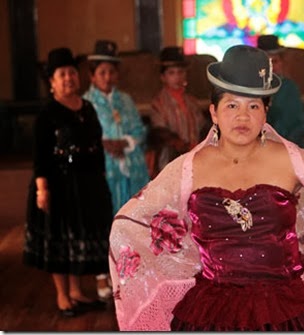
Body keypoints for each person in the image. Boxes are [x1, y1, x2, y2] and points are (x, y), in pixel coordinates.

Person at [108, 45, 304, 331]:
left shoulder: (290, 159)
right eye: (232, 105)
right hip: (210, 310)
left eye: (253, 106)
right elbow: (130, 222)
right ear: (213, 112)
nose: (242, 116)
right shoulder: (189, 167)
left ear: (265, 113)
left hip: (283, 310)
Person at [23, 47, 112, 317]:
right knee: (59, 240)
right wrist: (42, 189)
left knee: (78, 242)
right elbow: (40, 156)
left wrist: (102, 181)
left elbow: (96, 145)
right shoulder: (47, 114)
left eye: (72, 72)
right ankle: (62, 295)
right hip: (58, 185)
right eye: (62, 74)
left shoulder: (88, 107)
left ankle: (76, 292)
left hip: (87, 184)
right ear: (51, 81)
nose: (69, 78)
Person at [82, 40, 150, 300]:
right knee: (103, 223)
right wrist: (103, 144)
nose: (108, 77)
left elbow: (139, 131)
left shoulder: (126, 100)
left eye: (112, 72)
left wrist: (126, 143)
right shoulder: (87, 103)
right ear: (92, 75)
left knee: (129, 222)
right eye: (102, 72)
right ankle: (102, 274)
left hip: (130, 170)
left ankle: (128, 272)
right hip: (104, 172)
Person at [146, 46, 207, 177]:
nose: (177, 77)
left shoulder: (192, 102)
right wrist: (181, 144)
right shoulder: (159, 104)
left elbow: (202, 127)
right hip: (169, 163)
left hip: (194, 160)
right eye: (171, 73)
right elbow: (160, 132)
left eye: (181, 72)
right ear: (163, 77)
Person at [257, 34, 304, 149]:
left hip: (289, 146)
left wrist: (283, 146)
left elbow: (299, 125)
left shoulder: (289, 88)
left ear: (281, 63)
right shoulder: (252, 89)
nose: (272, 67)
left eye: (275, 61)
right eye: (267, 62)